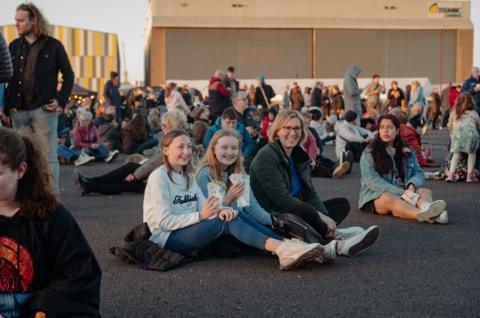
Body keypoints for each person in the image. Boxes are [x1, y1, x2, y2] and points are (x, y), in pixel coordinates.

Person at [144, 129, 330, 271]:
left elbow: (212, 206)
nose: (186, 152)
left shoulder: (189, 177)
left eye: (188, 147)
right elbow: (164, 221)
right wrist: (207, 213)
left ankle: (291, 246)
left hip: (191, 228)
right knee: (225, 221)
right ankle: (283, 248)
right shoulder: (160, 177)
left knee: (231, 214)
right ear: (166, 150)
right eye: (180, 147)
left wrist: (223, 209)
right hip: (166, 238)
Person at [0, 127, 101, 316]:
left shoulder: (48, 216)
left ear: (20, 171)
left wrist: (45, 309)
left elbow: (79, 272)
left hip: (37, 303)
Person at [250, 109, 380, 256]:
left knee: (341, 204)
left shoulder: (298, 154)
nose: (293, 133)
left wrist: (325, 218)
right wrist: (321, 217)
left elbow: (310, 193)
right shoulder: (266, 157)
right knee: (305, 210)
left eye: (297, 128)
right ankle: (337, 243)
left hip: (298, 209)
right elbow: (282, 200)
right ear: (277, 131)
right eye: (287, 128)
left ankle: (324, 233)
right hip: (275, 216)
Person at [4, 3, 74, 194]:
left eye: (20, 20)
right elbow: (8, 78)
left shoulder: (53, 45)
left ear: (33, 20)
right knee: (21, 159)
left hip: (43, 110)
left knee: (47, 157)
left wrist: (60, 100)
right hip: (18, 111)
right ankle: (29, 200)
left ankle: (52, 201)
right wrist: (7, 107)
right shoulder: (14, 46)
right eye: (15, 20)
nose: (16, 24)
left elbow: (68, 74)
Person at [74, 110, 189, 196]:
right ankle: (91, 182)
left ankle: (90, 185)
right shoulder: (182, 138)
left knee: (127, 183)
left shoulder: (173, 141)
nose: (162, 128)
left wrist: (135, 175)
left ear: (170, 126)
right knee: (130, 169)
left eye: (164, 125)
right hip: (165, 176)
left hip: (164, 181)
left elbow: (156, 162)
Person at [359, 114, 448, 224]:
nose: (385, 131)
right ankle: (424, 215)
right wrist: (402, 192)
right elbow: (371, 180)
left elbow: (418, 172)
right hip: (376, 195)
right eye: (382, 127)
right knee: (389, 198)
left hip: (406, 191)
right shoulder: (369, 152)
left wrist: (412, 185)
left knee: (425, 191)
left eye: (390, 127)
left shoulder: (407, 150)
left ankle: (427, 209)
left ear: (397, 131)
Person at [446, 93, 480, 182]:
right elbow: (478, 125)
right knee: (472, 154)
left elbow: (449, 125)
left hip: (457, 135)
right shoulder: (474, 113)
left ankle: (451, 175)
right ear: (471, 102)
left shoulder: (454, 112)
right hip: (471, 135)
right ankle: (469, 176)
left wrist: (452, 133)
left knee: (456, 155)